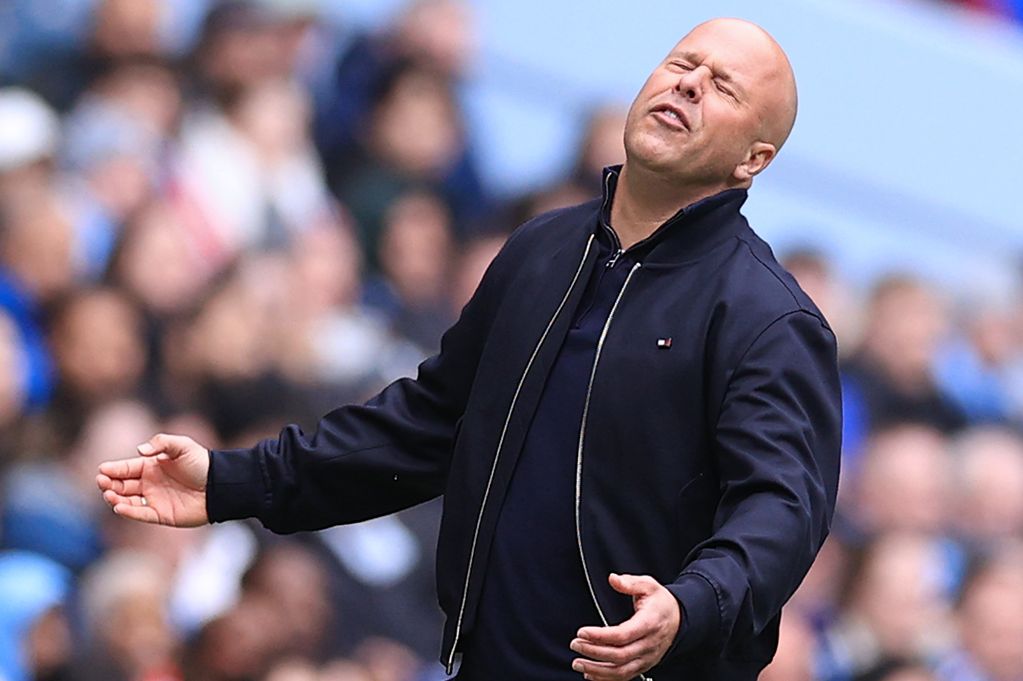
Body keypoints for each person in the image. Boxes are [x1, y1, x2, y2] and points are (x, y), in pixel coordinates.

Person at [97, 18, 841, 681]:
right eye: (681, 63)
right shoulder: (543, 249)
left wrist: (691, 605)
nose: (688, 84)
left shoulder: (767, 319)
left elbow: (781, 509)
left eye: (722, 86)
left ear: (753, 160)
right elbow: (425, 427)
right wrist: (229, 483)